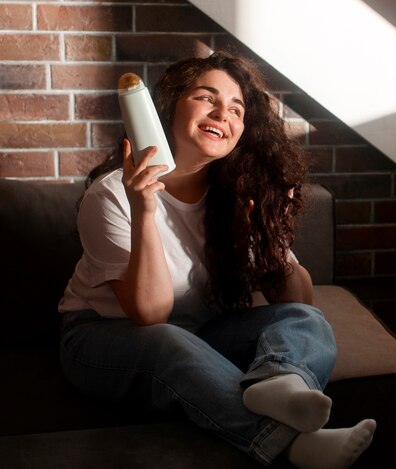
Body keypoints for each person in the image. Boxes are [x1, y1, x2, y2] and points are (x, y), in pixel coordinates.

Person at [57, 50, 376, 468]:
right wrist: (145, 212)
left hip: (199, 334)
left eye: (236, 108)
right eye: (207, 97)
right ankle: (292, 444)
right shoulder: (113, 195)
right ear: (171, 105)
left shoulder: (236, 193)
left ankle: (283, 384)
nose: (222, 112)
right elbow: (151, 316)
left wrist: (271, 235)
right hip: (99, 340)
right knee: (168, 339)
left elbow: (298, 303)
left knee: (305, 322)